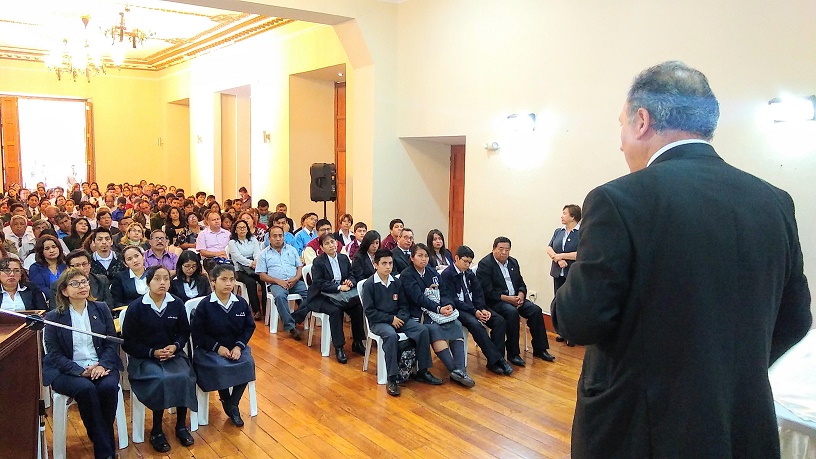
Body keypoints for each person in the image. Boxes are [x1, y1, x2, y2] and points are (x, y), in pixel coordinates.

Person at [551, 61, 812, 458]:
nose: (620, 142)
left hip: (641, 430)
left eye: (621, 125)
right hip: (742, 420)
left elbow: (578, 320)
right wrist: (732, 371)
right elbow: (796, 319)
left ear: (642, 121)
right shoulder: (774, 200)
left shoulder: (617, 200)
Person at [43, 268, 123, 459]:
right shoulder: (54, 317)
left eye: (84, 282)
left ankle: (99, 440)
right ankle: (106, 451)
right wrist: (80, 371)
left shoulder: (101, 308)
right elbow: (54, 354)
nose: (82, 286)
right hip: (68, 371)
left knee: (108, 387)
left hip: (101, 366)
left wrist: (102, 365)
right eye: (75, 284)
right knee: (86, 389)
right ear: (64, 291)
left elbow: (111, 342)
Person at [121, 266, 197, 453]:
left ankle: (180, 425)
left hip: (172, 355)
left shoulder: (176, 303)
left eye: (166, 279)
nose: (162, 282)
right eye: (157, 279)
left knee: (184, 376)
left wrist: (176, 346)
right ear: (148, 282)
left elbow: (184, 332)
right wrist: (152, 353)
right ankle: (156, 429)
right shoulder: (136, 307)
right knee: (161, 379)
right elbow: (128, 343)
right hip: (145, 358)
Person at [361, 249, 443, 396]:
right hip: (379, 322)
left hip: (398, 319)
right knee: (391, 336)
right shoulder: (369, 285)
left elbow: (404, 306)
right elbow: (370, 312)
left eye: (390, 263)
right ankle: (392, 378)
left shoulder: (396, 282)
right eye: (384, 263)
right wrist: (390, 319)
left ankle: (422, 371)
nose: (388, 266)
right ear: (375, 265)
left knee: (422, 330)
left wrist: (401, 317)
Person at [191, 264, 256, 426]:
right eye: (224, 279)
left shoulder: (240, 303)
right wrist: (217, 348)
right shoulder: (205, 305)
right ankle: (225, 397)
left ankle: (232, 403)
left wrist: (239, 346)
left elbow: (249, 327)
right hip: (210, 350)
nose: (229, 283)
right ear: (213, 282)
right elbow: (198, 334)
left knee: (247, 363)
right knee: (220, 366)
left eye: (232, 280)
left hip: (235, 347)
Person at [400, 243, 474, 388]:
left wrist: (449, 305)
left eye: (426, 256)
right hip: (419, 313)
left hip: (438, 311)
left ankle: (461, 370)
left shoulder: (432, 273)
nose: (424, 259)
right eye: (420, 255)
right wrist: (438, 308)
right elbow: (417, 298)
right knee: (433, 329)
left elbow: (445, 292)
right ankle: (454, 370)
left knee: (456, 324)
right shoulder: (407, 275)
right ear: (412, 257)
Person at [476, 236, 555, 365]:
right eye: (501, 249)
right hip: (497, 301)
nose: (504, 253)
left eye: (507, 250)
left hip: (516, 298)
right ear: (493, 249)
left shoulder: (513, 262)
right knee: (511, 312)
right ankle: (513, 353)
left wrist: (521, 295)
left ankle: (540, 349)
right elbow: (487, 291)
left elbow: (521, 283)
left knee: (536, 310)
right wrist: (508, 299)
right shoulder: (485, 264)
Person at [440, 245, 513, 376]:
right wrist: (475, 312)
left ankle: (494, 361)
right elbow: (453, 300)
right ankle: (499, 360)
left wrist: (482, 309)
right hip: (459, 309)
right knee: (476, 325)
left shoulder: (469, 274)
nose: (468, 265)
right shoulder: (447, 275)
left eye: (470, 262)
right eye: (465, 261)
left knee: (499, 321)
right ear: (456, 258)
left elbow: (479, 293)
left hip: (474, 307)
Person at [303, 233, 366, 363]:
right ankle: (339, 347)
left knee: (357, 307)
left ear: (337, 243)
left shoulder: (343, 258)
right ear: (321, 247)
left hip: (340, 295)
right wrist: (338, 287)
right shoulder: (318, 261)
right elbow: (319, 282)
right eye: (327, 243)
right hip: (321, 296)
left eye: (332, 242)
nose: (331, 245)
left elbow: (351, 274)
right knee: (335, 310)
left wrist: (349, 282)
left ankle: (358, 341)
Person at [257, 226, 306, 339]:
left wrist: (296, 278)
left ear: (284, 237)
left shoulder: (291, 250)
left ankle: (294, 318)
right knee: (279, 296)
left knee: (311, 294)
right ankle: (291, 327)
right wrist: (278, 281)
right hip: (276, 283)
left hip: (294, 281)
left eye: (280, 236)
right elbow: (262, 275)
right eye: (275, 236)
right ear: (269, 238)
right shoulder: (264, 254)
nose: (278, 238)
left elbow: (299, 267)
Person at [546, 204, 581, 347]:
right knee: (559, 301)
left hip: (573, 274)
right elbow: (549, 247)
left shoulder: (582, 233)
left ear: (573, 217)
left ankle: (572, 334)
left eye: (565, 213)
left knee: (572, 303)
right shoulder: (558, 231)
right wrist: (557, 258)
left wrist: (562, 256)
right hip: (558, 273)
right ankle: (562, 331)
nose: (562, 216)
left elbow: (581, 253)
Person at [50, 249, 114, 311]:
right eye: (77, 265)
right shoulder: (58, 285)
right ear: (68, 267)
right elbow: (56, 310)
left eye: (84, 264)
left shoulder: (101, 280)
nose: (81, 268)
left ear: (90, 265)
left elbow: (109, 306)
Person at [227, 220, 266, 318]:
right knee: (250, 282)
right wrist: (250, 263)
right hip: (239, 269)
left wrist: (256, 261)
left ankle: (266, 308)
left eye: (244, 227)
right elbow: (238, 257)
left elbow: (258, 252)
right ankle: (256, 310)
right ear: (235, 230)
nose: (242, 229)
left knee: (264, 280)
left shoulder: (253, 239)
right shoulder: (232, 242)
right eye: (239, 227)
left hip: (255, 267)